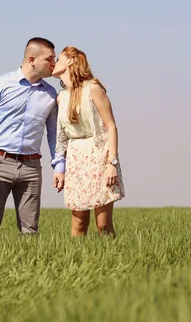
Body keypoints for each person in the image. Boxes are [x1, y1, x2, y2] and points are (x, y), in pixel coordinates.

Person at [0, 37, 64, 240]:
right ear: (32, 59)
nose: (54, 64)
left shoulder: (50, 94)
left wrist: (59, 166)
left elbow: (53, 133)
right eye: (50, 59)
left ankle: (29, 270)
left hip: (31, 167)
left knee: (30, 231)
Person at [51, 46, 125, 237]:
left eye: (57, 58)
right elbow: (61, 137)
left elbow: (111, 127)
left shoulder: (93, 88)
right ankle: (77, 263)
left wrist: (112, 163)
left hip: (99, 155)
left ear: (69, 61)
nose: (53, 62)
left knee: (103, 224)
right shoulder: (61, 97)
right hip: (75, 158)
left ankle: (112, 262)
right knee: (78, 222)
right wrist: (59, 169)